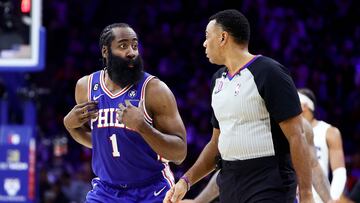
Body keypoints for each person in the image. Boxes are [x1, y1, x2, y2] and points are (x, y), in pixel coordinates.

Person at [164, 9, 314, 203]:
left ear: (223, 38)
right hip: (230, 181)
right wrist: (186, 181)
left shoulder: (269, 72)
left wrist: (307, 194)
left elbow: (297, 136)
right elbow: (216, 143)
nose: (204, 43)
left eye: (207, 36)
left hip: (269, 181)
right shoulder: (217, 80)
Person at [63, 23, 187, 203]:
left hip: (151, 189)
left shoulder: (154, 90)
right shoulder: (86, 87)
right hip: (106, 191)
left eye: (135, 46)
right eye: (123, 46)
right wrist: (70, 126)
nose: (132, 52)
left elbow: (180, 154)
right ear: (105, 51)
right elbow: (99, 142)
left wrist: (143, 127)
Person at [179, 117, 335, 203]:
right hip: (240, 194)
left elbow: (313, 166)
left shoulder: (301, 126)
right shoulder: (243, 126)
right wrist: (199, 201)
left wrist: (328, 200)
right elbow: (228, 170)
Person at [298, 88, 347, 202]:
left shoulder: (329, 131)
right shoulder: (291, 132)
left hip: (321, 197)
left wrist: (333, 198)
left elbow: (339, 171)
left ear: (304, 106)